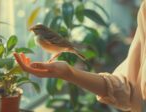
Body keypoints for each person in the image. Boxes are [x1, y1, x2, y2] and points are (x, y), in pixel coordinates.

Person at [13, 1, 146, 111]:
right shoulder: (144, 11)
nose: (33, 31)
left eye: (36, 30)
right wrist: (68, 73)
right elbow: (127, 89)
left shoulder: (45, 37)